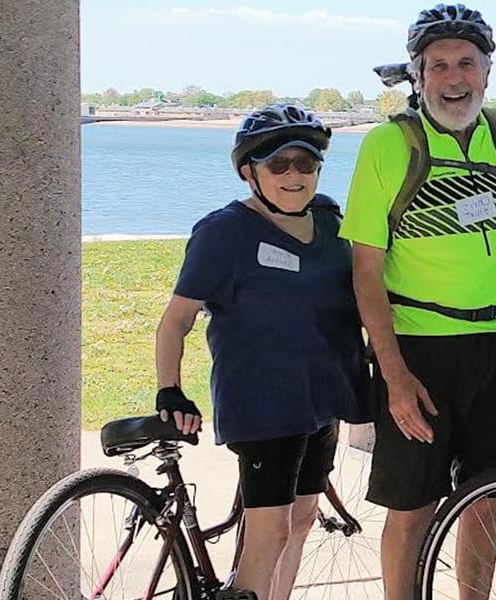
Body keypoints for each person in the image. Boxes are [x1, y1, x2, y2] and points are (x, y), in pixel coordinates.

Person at [338, 4, 496, 598]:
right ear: (418, 75)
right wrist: (394, 375)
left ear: (488, 71)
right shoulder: (389, 145)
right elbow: (366, 271)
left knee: (485, 500)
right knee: (412, 504)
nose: (454, 77)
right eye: (438, 65)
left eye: (467, 62)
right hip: (421, 349)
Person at [153, 104, 369, 600]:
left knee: (302, 519)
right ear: (250, 172)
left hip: (323, 397)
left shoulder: (333, 223)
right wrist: (171, 388)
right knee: (267, 532)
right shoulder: (224, 233)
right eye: (279, 164)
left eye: (306, 163)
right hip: (263, 403)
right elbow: (177, 320)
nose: (294, 175)